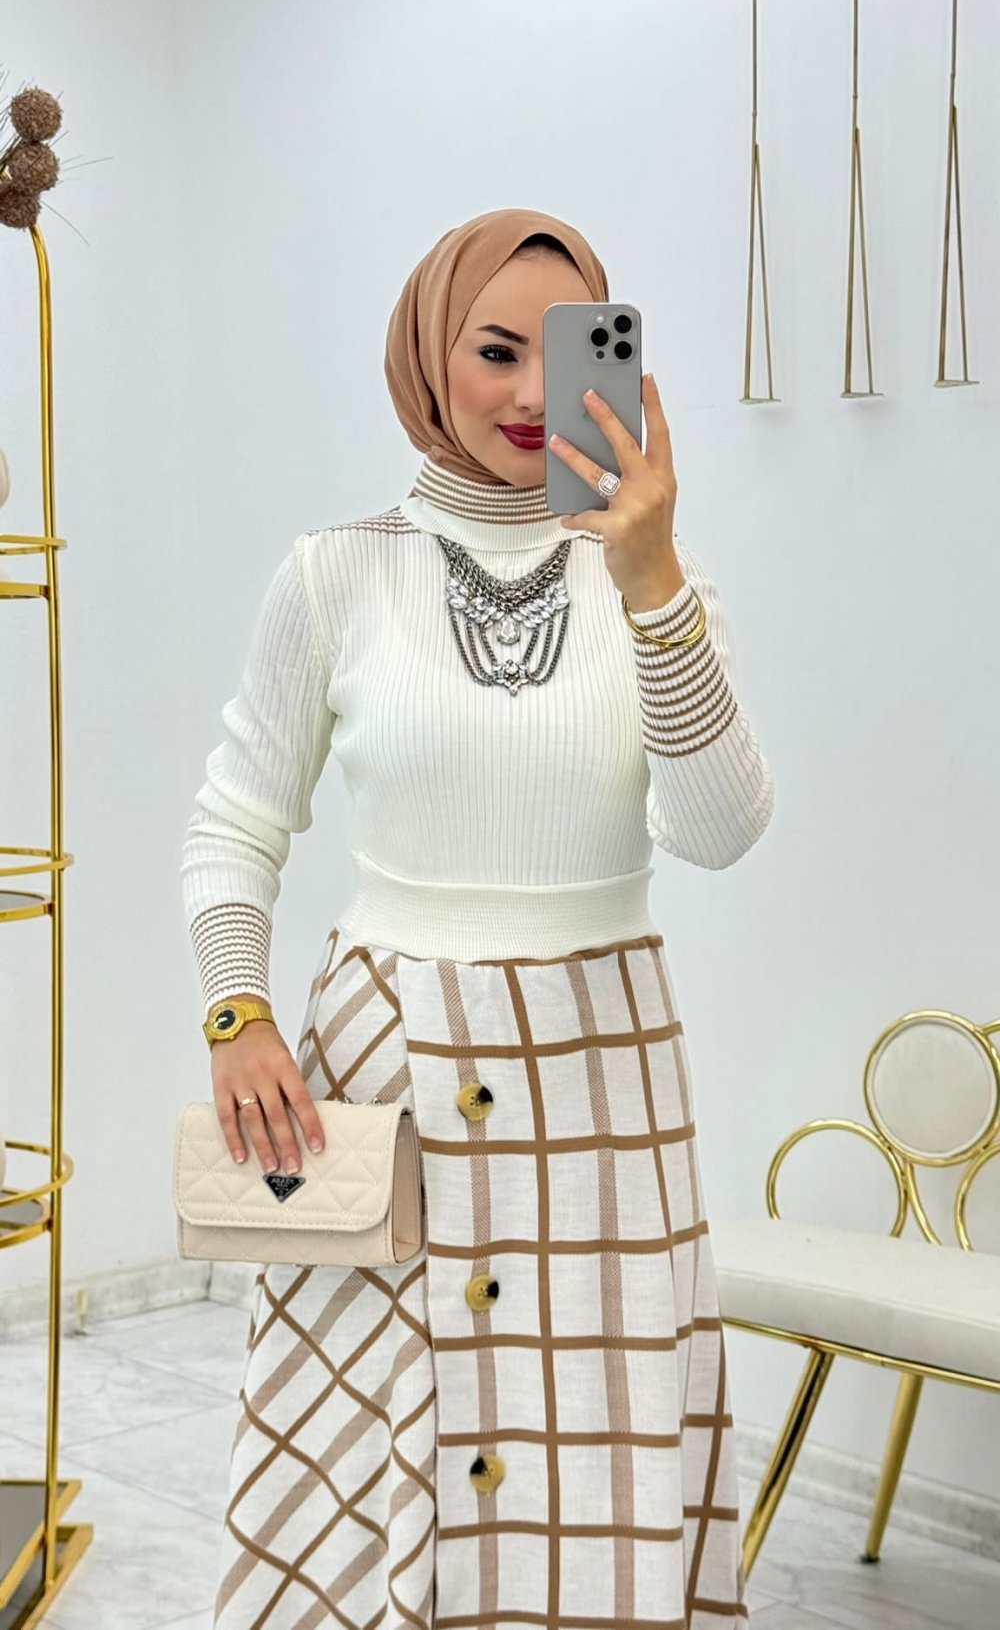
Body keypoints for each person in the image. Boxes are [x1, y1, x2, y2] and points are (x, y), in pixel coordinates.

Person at [180, 206, 774, 1630]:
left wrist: (650, 578)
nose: (527, 394)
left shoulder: (662, 583)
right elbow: (234, 821)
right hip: (383, 1072)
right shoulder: (334, 571)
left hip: (602, 1071)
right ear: (427, 358)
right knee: (364, 1451)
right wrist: (237, 1010)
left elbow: (719, 830)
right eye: (494, 350)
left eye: (564, 355)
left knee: (595, 1460)